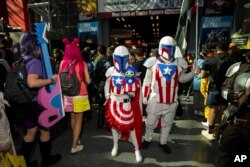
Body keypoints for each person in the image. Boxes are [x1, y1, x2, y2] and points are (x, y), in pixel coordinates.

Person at [141, 36, 199, 153]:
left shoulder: (179, 62)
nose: (169, 50)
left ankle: (163, 142)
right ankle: (147, 139)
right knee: (150, 123)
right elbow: (147, 81)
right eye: (167, 48)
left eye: (171, 48)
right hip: (155, 100)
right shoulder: (152, 62)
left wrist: (193, 73)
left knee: (167, 125)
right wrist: (144, 95)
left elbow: (182, 79)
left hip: (171, 100)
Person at [18, 32, 61, 167]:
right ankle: (46, 161)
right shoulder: (35, 62)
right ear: (34, 46)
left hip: (25, 103)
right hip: (36, 103)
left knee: (30, 133)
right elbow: (32, 83)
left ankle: (22, 163)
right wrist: (51, 80)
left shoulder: (23, 60)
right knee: (45, 132)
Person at [104, 45, 143, 162]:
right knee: (114, 127)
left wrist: (130, 88)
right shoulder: (111, 71)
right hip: (113, 102)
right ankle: (115, 145)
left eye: (123, 58)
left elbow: (135, 92)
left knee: (131, 128)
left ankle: (136, 149)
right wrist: (107, 95)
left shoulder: (132, 71)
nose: (121, 61)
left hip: (126, 103)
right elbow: (107, 84)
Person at [59, 38, 91, 154]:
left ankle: (76, 139)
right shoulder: (82, 64)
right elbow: (88, 80)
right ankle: (74, 146)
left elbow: (60, 78)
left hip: (67, 94)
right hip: (80, 94)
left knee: (72, 117)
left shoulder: (62, 63)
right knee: (79, 120)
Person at [218, 52, 250, 167]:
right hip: (235, 122)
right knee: (226, 155)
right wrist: (228, 94)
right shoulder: (239, 68)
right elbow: (224, 88)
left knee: (243, 158)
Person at [200, 40, 234, 140]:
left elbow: (202, 75)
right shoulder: (231, 61)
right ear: (227, 49)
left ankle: (211, 132)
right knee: (224, 110)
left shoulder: (209, 60)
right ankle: (222, 131)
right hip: (227, 88)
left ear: (216, 49)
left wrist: (209, 74)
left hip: (214, 88)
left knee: (213, 109)